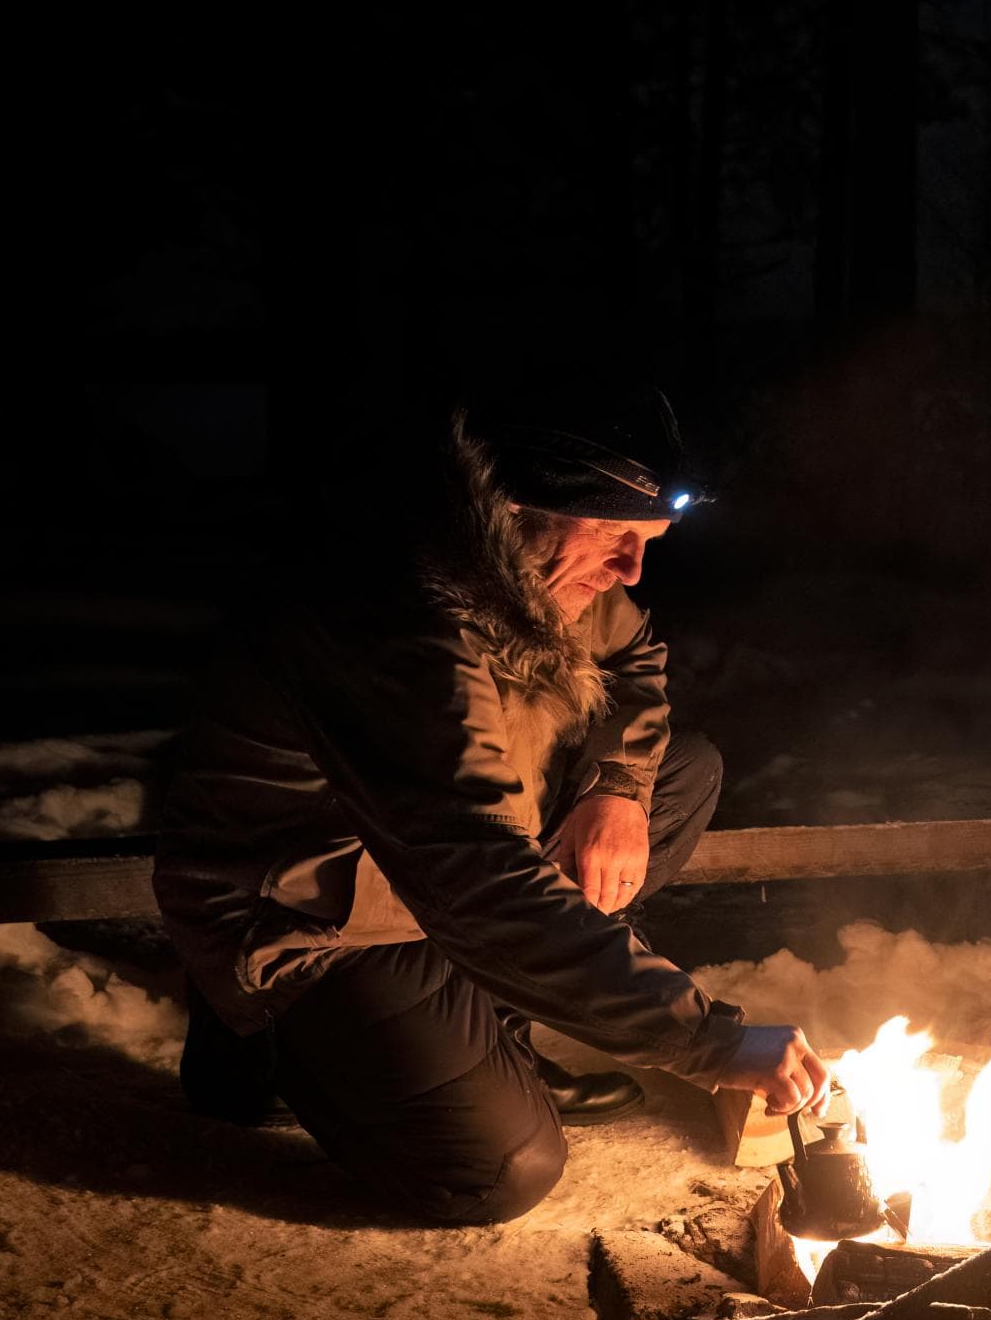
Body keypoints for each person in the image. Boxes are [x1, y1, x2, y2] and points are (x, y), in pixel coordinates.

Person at [152, 397, 824, 1224]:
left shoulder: (525, 569)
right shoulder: (392, 615)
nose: (631, 571)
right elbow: (475, 873)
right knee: (502, 1169)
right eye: (616, 536)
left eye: (646, 544)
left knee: (677, 773)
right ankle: (261, 1044)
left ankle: (489, 1021)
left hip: (440, 874)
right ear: (515, 516)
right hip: (316, 913)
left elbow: (636, 656)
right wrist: (711, 1043)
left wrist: (617, 786)